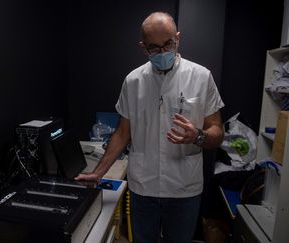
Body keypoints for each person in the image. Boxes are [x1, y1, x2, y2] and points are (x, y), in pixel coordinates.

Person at [75, 11, 225, 243]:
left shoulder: (201, 76)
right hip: (143, 188)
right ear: (143, 47)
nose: (163, 52)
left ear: (178, 38)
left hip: (184, 189)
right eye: (154, 48)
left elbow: (217, 132)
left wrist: (198, 136)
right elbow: (122, 133)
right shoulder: (133, 81)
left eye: (168, 44)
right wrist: (98, 172)